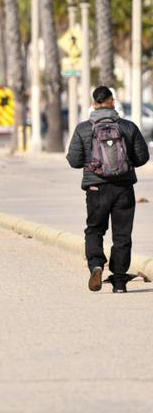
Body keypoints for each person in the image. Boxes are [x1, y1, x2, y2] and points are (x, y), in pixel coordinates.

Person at [67, 86, 149, 293]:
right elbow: (142, 158)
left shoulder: (83, 129)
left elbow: (74, 161)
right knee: (122, 234)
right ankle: (119, 282)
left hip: (95, 188)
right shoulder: (128, 127)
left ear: (94, 104)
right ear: (112, 102)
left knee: (95, 229)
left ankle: (95, 264)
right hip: (123, 188)